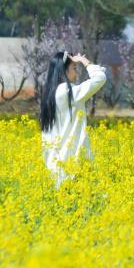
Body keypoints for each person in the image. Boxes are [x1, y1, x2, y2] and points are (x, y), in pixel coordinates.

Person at [40, 51, 107, 188]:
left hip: (56, 163)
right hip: (74, 161)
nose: (76, 72)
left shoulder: (49, 94)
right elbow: (100, 78)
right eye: (74, 68)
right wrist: (85, 61)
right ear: (64, 71)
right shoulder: (69, 92)